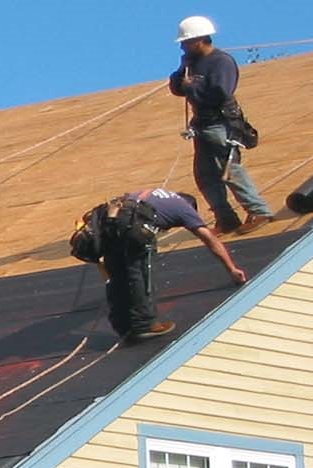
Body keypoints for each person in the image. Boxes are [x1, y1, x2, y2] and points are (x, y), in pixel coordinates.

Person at [88, 188, 248, 342]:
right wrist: (231, 269)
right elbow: (209, 239)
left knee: (116, 276)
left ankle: (122, 326)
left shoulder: (155, 194)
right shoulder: (185, 209)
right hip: (133, 225)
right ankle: (145, 325)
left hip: (110, 222)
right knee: (140, 273)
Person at [169, 15, 273, 236]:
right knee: (205, 175)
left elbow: (221, 92)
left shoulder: (221, 62)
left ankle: (259, 211)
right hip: (203, 125)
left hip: (221, 124)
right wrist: (182, 75)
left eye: (186, 42)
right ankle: (226, 220)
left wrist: (192, 87)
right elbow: (177, 88)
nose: (183, 47)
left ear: (199, 41)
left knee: (230, 170)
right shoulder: (192, 63)